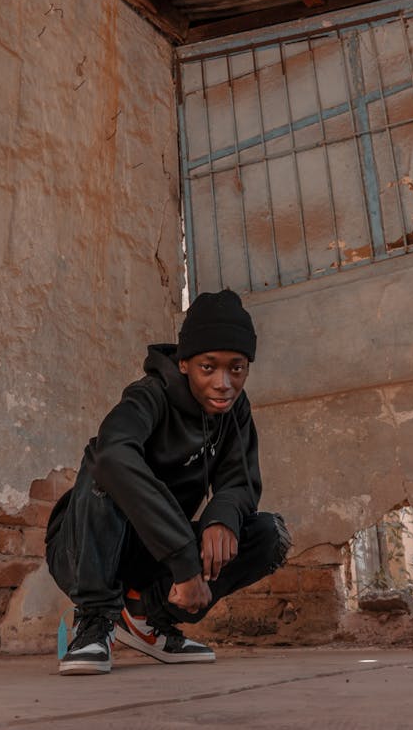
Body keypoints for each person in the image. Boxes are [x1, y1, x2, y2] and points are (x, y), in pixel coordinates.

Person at [45, 288, 291, 675]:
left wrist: (222, 516)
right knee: (105, 467)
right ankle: (94, 619)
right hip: (85, 546)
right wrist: (185, 562)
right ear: (183, 363)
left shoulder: (235, 411)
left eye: (236, 368)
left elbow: (240, 482)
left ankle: (143, 617)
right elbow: (113, 455)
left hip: (153, 553)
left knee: (268, 535)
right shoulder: (149, 397)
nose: (224, 383)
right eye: (208, 367)